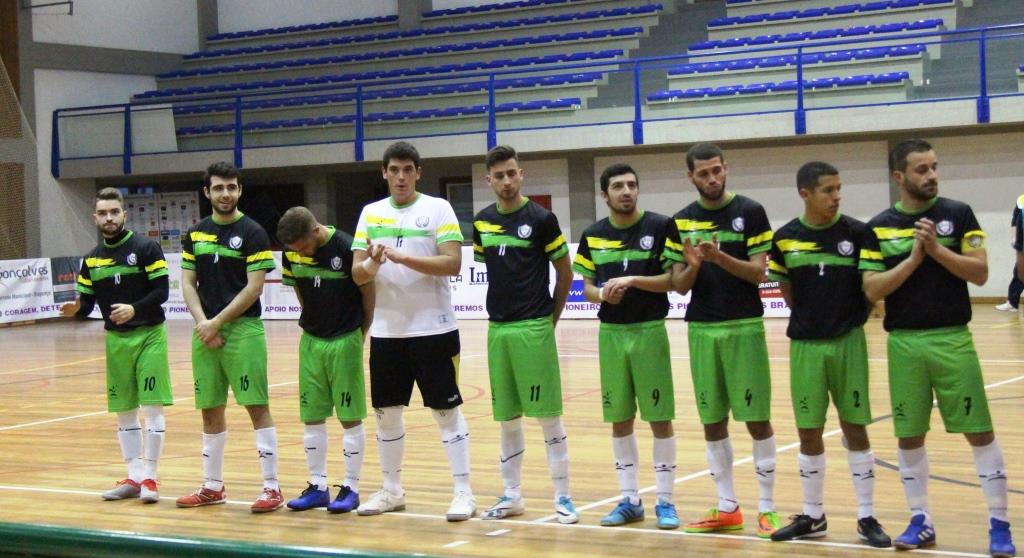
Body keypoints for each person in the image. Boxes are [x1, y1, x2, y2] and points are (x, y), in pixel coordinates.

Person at [859, 139, 1014, 556]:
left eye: (934, 167)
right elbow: (872, 289)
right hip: (904, 344)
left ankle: (1000, 523)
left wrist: (936, 250)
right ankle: (921, 519)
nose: (931, 175)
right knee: (909, 436)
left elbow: (980, 274)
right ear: (899, 177)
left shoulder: (957, 214)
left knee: (979, 431)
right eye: (921, 169)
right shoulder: (877, 227)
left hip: (952, 339)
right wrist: (912, 259)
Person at [765, 162, 890, 547]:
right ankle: (813, 515)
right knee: (808, 431)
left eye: (839, 189)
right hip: (805, 346)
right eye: (828, 190)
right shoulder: (785, 239)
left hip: (848, 343)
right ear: (805, 193)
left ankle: (867, 516)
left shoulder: (858, 233)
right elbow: (787, 293)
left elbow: (871, 290)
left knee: (855, 427)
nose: (836, 197)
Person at [350, 141, 476, 521]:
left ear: (418, 173)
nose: (401, 176)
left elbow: (453, 263)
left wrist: (404, 257)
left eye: (408, 169)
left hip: (434, 329)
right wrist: (372, 263)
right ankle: (392, 490)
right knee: (386, 414)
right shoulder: (370, 214)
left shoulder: (438, 208)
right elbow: (357, 274)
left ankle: (463, 493)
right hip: (388, 334)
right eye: (394, 170)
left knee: (445, 411)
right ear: (384, 173)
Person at [672, 143, 780, 538]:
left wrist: (720, 259)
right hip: (701, 329)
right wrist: (695, 266)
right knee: (712, 421)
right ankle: (727, 507)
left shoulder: (750, 212)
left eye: (717, 171)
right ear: (691, 178)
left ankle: (767, 509)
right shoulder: (681, 221)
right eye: (703, 174)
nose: (712, 179)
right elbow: (679, 286)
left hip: (744, 326)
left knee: (756, 420)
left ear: (726, 169)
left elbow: (758, 274)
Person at [573, 163, 683, 530]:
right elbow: (586, 287)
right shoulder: (593, 234)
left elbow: (673, 279)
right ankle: (630, 499)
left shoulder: (660, 226)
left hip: (650, 331)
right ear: (605, 195)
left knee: (659, 418)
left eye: (632, 185)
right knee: (620, 419)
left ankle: (665, 501)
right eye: (618, 186)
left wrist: (634, 280)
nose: (626, 191)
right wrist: (603, 294)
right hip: (612, 335)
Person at [472, 145, 578, 524]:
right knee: (507, 418)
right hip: (497, 330)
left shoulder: (542, 219)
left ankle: (564, 497)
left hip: (534, 327)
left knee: (549, 417)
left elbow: (565, 274)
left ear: (522, 174)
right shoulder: (482, 222)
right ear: (489, 180)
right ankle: (512, 495)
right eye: (499, 175)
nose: (506, 181)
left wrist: (550, 321)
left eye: (511, 173)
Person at [175, 162, 283, 513]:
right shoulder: (194, 234)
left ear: (240, 190)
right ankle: (212, 486)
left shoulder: (253, 232)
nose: (226, 194)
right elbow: (187, 283)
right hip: (204, 331)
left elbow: (254, 288)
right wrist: (203, 322)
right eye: (219, 188)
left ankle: (272, 488)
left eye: (232, 187)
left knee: (256, 407)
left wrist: (216, 323)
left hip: (243, 331)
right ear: (207, 192)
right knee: (210, 411)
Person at [61, 187, 172, 504]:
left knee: (151, 408)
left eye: (114, 212)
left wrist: (135, 309)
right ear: (94, 218)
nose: (109, 218)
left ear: (124, 214)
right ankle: (134, 476)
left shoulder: (147, 248)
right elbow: (86, 305)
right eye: (103, 213)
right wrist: (75, 310)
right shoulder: (92, 260)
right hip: (116, 341)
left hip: (150, 334)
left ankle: (151, 477)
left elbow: (161, 292)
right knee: (124, 412)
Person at [276, 207, 374, 513]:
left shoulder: (346, 247)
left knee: (349, 416)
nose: (299, 253)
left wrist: (361, 333)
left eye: (303, 247)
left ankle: (351, 487)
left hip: (345, 339)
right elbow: (302, 295)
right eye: (294, 249)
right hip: (311, 342)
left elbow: (369, 293)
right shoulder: (291, 253)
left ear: (316, 231)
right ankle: (318, 486)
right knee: (313, 415)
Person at [994, 196, 1024, 312]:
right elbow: (1015, 221)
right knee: (1019, 272)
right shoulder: (1021, 200)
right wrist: (1014, 238)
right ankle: (1012, 302)